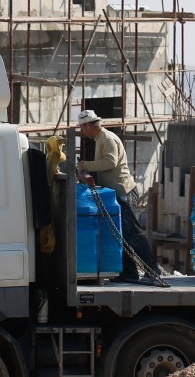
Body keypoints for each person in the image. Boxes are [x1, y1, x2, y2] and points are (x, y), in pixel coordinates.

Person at [76, 109, 164, 284]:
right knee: (122, 235)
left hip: (124, 193)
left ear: (87, 125)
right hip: (116, 194)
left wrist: (86, 165)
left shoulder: (106, 139)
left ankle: (153, 270)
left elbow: (111, 162)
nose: (82, 132)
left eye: (82, 128)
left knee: (132, 233)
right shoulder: (100, 139)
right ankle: (129, 273)